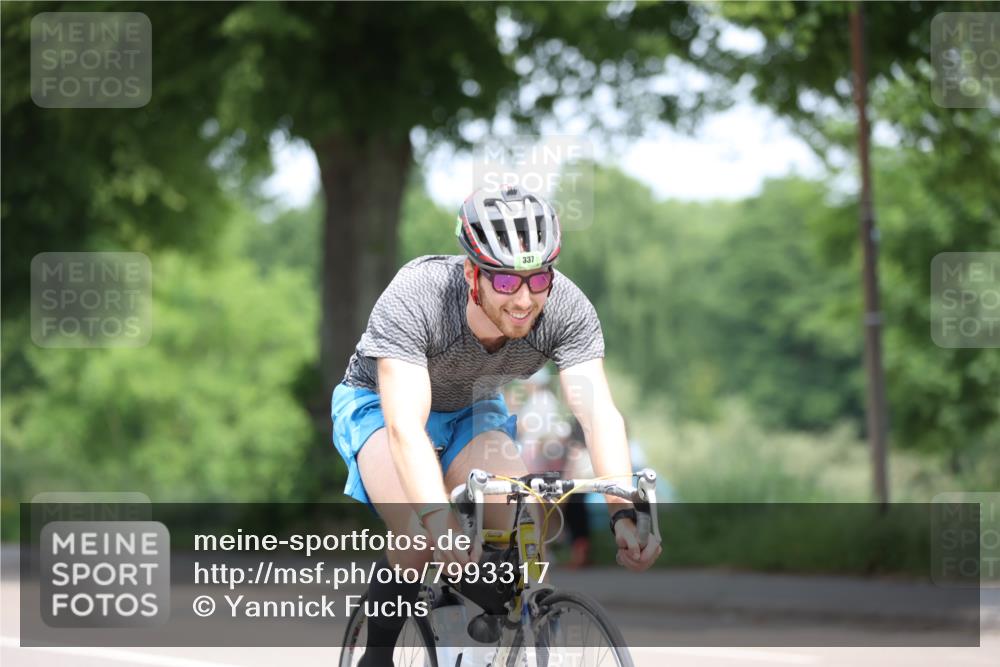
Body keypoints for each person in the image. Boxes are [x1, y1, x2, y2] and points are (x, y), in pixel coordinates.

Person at [330, 184, 662, 665]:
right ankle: (377, 654)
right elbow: (405, 427)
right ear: (472, 273)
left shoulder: (566, 308)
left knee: (507, 512)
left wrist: (622, 509)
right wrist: (439, 520)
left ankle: (488, 622)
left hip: (472, 404)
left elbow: (598, 412)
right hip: (380, 406)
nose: (524, 300)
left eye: (538, 279)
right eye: (505, 283)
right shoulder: (418, 295)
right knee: (420, 531)